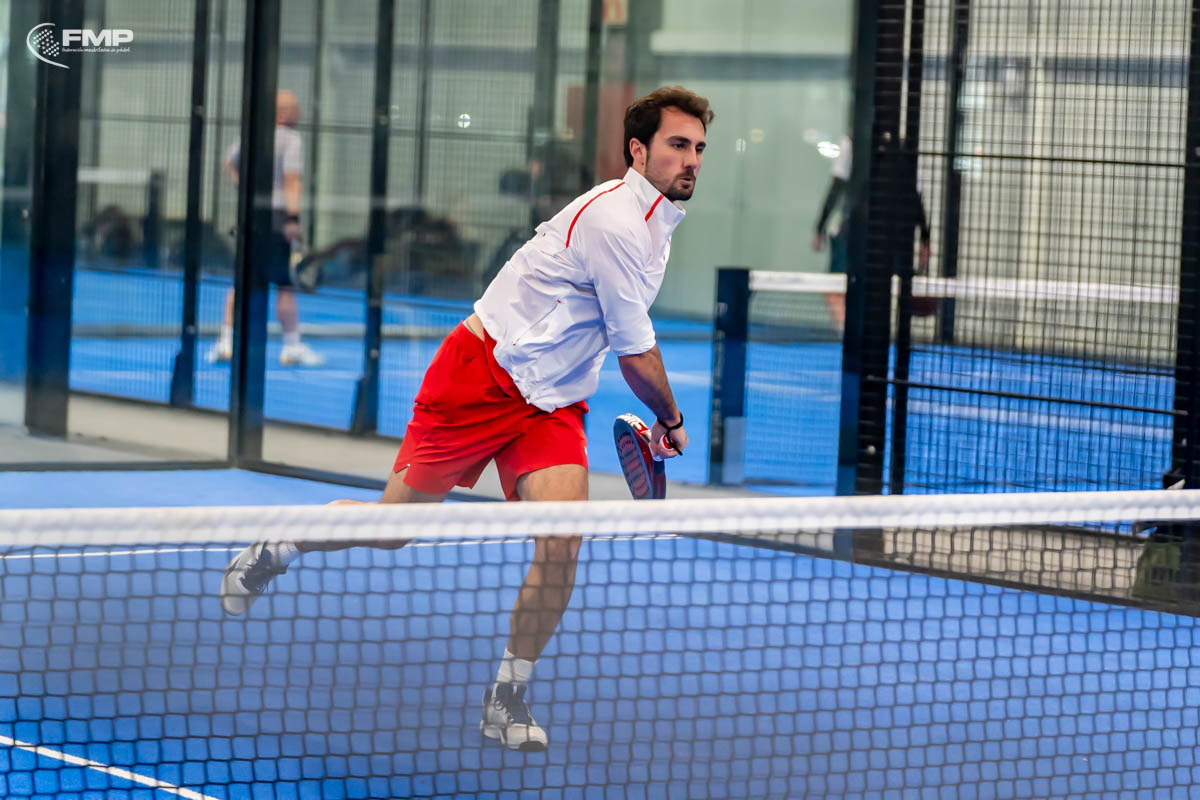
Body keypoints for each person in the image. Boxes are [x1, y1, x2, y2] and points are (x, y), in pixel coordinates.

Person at [218, 87, 713, 751]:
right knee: (394, 528)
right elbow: (635, 353)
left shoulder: (657, 227)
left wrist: (659, 413)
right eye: (677, 144)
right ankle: (277, 546)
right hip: (479, 375)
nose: (691, 159)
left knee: (562, 542)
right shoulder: (615, 222)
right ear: (638, 151)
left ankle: (506, 698)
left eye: (698, 147)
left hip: (551, 401)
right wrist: (671, 421)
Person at [207, 89, 324, 367]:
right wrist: (292, 219)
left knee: (242, 280)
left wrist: (246, 188)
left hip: (251, 216)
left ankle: (227, 341)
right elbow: (292, 180)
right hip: (278, 219)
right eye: (294, 108)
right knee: (284, 285)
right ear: (283, 113)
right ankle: (292, 346)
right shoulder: (291, 140)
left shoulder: (252, 135)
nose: (298, 113)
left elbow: (229, 163)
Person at [811, 135, 931, 329]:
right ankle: (854, 332)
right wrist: (925, 238)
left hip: (859, 232)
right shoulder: (907, 148)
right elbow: (915, 198)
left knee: (837, 285)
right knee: (851, 286)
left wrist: (820, 228)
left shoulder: (851, 143)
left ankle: (849, 333)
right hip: (883, 234)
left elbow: (837, 187)